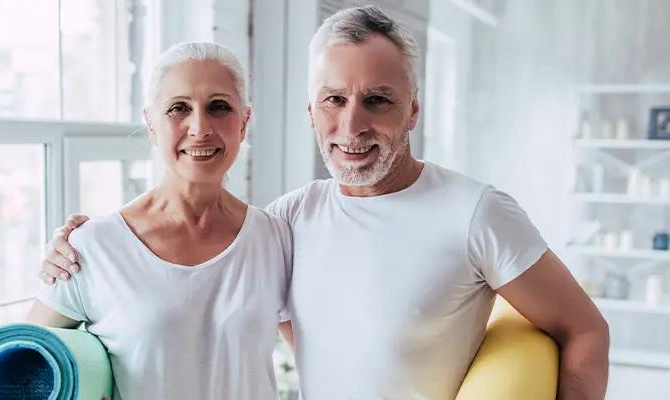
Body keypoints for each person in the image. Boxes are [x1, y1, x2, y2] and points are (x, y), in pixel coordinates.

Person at [41, 6, 610, 400]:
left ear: (412, 110)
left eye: (378, 100)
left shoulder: (477, 212)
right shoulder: (287, 219)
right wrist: (71, 249)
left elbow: (585, 330)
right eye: (333, 99)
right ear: (311, 111)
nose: (352, 125)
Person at [27, 42, 292, 400]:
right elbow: (20, 369)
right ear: (151, 124)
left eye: (218, 107)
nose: (200, 128)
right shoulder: (92, 247)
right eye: (178, 109)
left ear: (243, 123)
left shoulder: (274, 238)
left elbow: (318, 357)